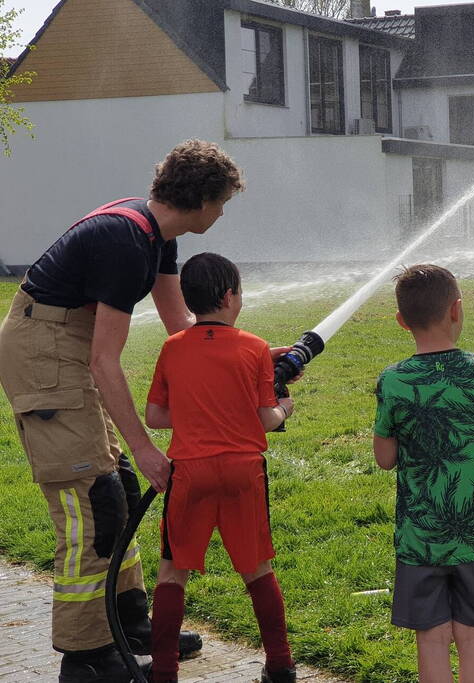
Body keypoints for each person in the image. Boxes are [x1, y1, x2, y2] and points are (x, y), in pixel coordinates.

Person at [0, 140, 243, 682]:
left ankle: (128, 624)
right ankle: (85, 657)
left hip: (63, 347)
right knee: (91, 504)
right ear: (201, 198)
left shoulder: (156, 237)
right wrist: (144, 443)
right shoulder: (126, 241)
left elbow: (183, 327)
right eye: (223, 201)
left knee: (117, 488)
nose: (224, 212)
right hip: (45, 353)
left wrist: (244, 354)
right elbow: (104, 360)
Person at [144, 253, 297, 683]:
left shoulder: (173, 348)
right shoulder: (253, 348)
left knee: (173, 571)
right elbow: (266, 418)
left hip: (190, 473)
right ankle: (281, 665)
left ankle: (163, 671)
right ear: (230, 296)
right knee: (258, 568)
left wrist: (196, 414)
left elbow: (155, 416)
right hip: (243, 472)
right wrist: (286, 408)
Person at [373, 264, 474, 683]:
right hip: (473, 531)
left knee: (430, 637)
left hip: (420, 535)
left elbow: (385, 458)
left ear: (401, 321)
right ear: (456, 310)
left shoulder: (393, 380)